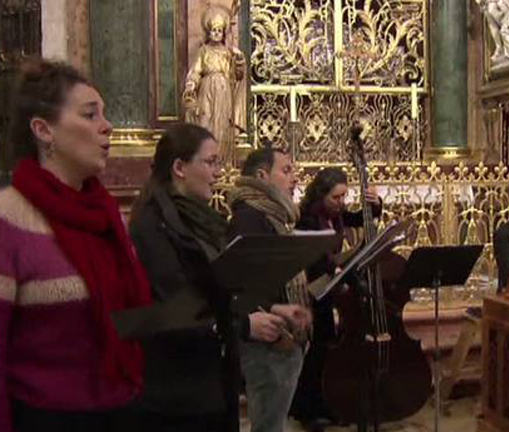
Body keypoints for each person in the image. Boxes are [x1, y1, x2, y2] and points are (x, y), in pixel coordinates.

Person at [0, 58, 151, 431]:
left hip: (122, 409)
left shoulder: (105, 215)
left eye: (105, 114)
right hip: (46, 419)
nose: (107, 126)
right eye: (90, 114)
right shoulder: (9, 219)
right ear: (43, 130)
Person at [127, 123, 294, 432]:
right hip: (178, 386)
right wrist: (245, 325)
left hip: (211, 377)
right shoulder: (152, 225)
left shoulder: (201, 219)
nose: (218, 172)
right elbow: (176, 306)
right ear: (180, 167)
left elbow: (219, 288)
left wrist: (268, 308)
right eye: (211, 162)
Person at [227, 147, 313, 432]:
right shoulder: (249, 218)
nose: (295, 178)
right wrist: (276, 311)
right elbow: (241, 281)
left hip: (279, 335)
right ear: (262, 176)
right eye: (286, 170)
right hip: (268, 340)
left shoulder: (271, 215)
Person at [290, 167, 381, 432]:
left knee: (327, 347)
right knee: (318, 350)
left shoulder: (335, 213)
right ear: (321, 195)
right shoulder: (308, 219)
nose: (341, 203)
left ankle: (324, 403)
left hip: (329, 288)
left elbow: (359, 217)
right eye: (336, 197)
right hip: (313, 290)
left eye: (344, 196)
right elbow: (313, 258)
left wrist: (375, 204)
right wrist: (339, 268)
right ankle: (307, 409)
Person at [183, 4, 247, 167]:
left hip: (224, 93)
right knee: (205, 123)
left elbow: (238, 76)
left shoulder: (228, 52)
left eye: (219, 30)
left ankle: (222, 164)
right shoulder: (203, 51)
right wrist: (191, 85)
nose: (217, 33)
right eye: (214, 30)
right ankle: (205, 162)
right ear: (209, 32)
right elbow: (196, 71)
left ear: (223, 33)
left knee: (223, 127)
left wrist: (239, 59)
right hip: (206, 92)